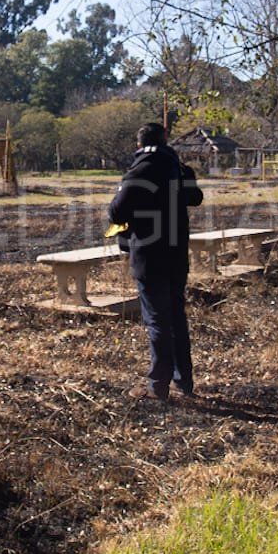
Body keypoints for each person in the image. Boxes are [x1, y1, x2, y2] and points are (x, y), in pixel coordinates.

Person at [108, 122, 204, 401]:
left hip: (150, 256)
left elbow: (116, 211)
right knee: (176, 317)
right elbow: (195, 197)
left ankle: (157, 386)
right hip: (177, 254)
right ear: (165, 141)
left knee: (158, 320)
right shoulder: (179, 169)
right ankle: (183, 380)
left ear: (139, 145)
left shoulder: (142, 169)